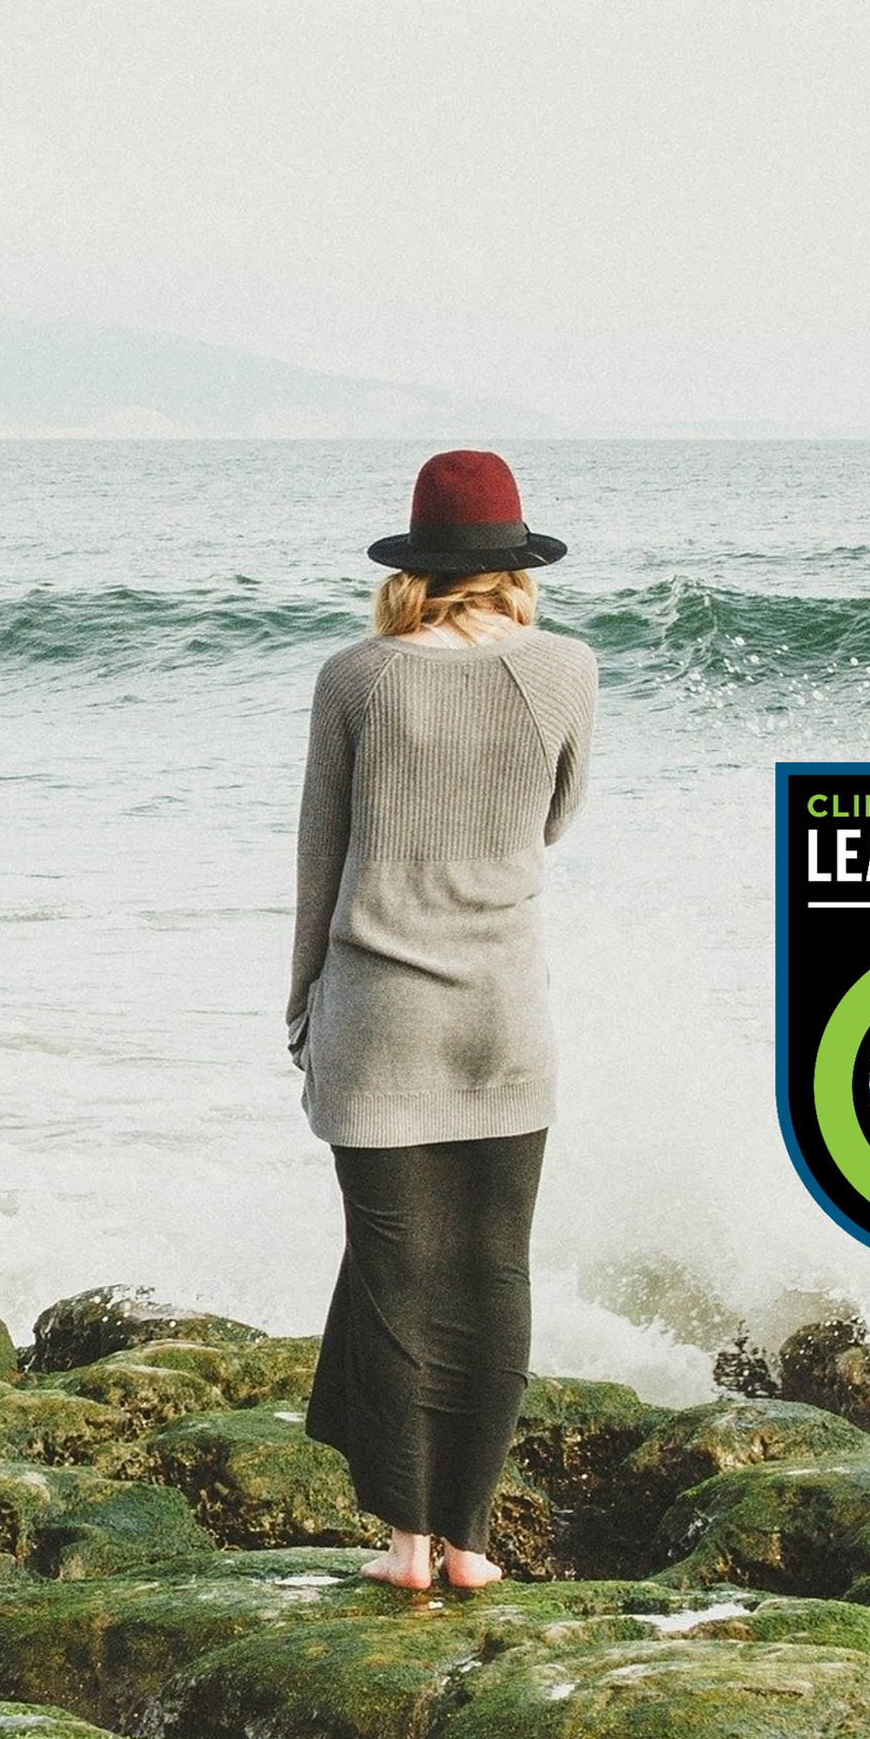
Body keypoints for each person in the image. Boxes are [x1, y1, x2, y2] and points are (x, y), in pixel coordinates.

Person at [287, 448, 597, 1591]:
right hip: (507, 1010)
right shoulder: (566, 669)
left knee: (393, 1277)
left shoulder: (356, 677)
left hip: (379, 1014)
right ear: (514, 565)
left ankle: (405, 1547)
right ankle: (471, 1544)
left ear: (413, 566)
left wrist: (299, 1010)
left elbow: (321, 856)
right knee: (493, 1271)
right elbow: (556, 817)